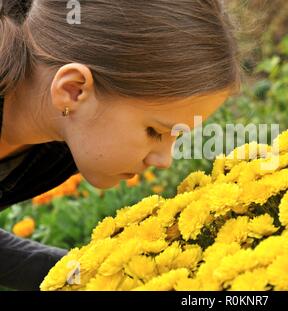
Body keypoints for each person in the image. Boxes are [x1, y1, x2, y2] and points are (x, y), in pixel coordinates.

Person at [0, 0, 240, 290]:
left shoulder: (64, 140)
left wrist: (107, 278)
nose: (164, 161)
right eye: (154, 131)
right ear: (74, 90)